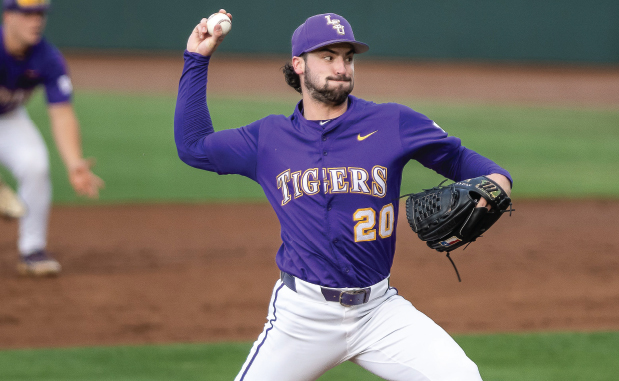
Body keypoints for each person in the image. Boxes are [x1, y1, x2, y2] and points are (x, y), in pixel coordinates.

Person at [175, 10, 512, 381]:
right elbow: (193, 146)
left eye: (348, 58)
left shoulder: (392, 122)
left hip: (379, 312)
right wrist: (197, 59)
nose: (342, 67)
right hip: (303, 317)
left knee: (462, 376)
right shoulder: (267, 139)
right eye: (328, 57)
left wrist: (499, 181)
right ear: (298, 65)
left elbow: (459, 158)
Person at [1, 0, 103, 276]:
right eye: (27, 13)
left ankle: (32, 251)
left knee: (35, 165)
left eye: (40, 14)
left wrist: (73, 162)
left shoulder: (46, 57)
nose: (35, 20)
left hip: (8, 118)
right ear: (8, 16)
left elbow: (62, 114)